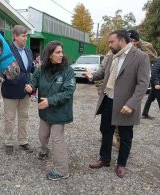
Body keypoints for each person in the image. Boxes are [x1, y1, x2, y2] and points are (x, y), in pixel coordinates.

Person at [84, 29, 150, 178]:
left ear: (121, 41)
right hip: (108, 99)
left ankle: (121, 164)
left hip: (126, 103)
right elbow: (103, 73)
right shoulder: (112, 56)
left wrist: (132, 104)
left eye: (111, 41)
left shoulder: (140, 57)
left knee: (125, 135)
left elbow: (143, 84)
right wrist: (92, 76)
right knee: (105, 130)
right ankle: (104, 159)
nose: (109, 45)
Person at [25, 41, 76, 181]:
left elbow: (68, 91)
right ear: (49, 55)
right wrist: (30, 87)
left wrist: (49, 101)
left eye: (61, 52)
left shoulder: (68, 71)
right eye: (57, 52)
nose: (61, 55)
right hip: (45, 112)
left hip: (59, 112)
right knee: (42, 135)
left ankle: (62, 170)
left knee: (57, 139)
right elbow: (34, 81)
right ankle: (44, 149)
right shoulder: (41, 69)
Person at [0, 25, 34, 155]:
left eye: (26, 36)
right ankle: (8, 142)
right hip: (10, 90)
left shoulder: (28, 51)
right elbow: (0, 67)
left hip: (25, 90)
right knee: (9, 118)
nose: (26, 38)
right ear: (15, 36)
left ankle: (23, 141)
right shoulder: (7, 51)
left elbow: (31, 70)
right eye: (24, 36)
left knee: (24, 117)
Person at [128, 29, 159, 119]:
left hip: (138, 80)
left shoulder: (141, 48)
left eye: (134, 41)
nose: (132, 43)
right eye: (129, 40)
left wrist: (139, 42)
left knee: (142, 99)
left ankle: (142, 114)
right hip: (123, 81)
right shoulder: (121, 46)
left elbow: (154, 57)